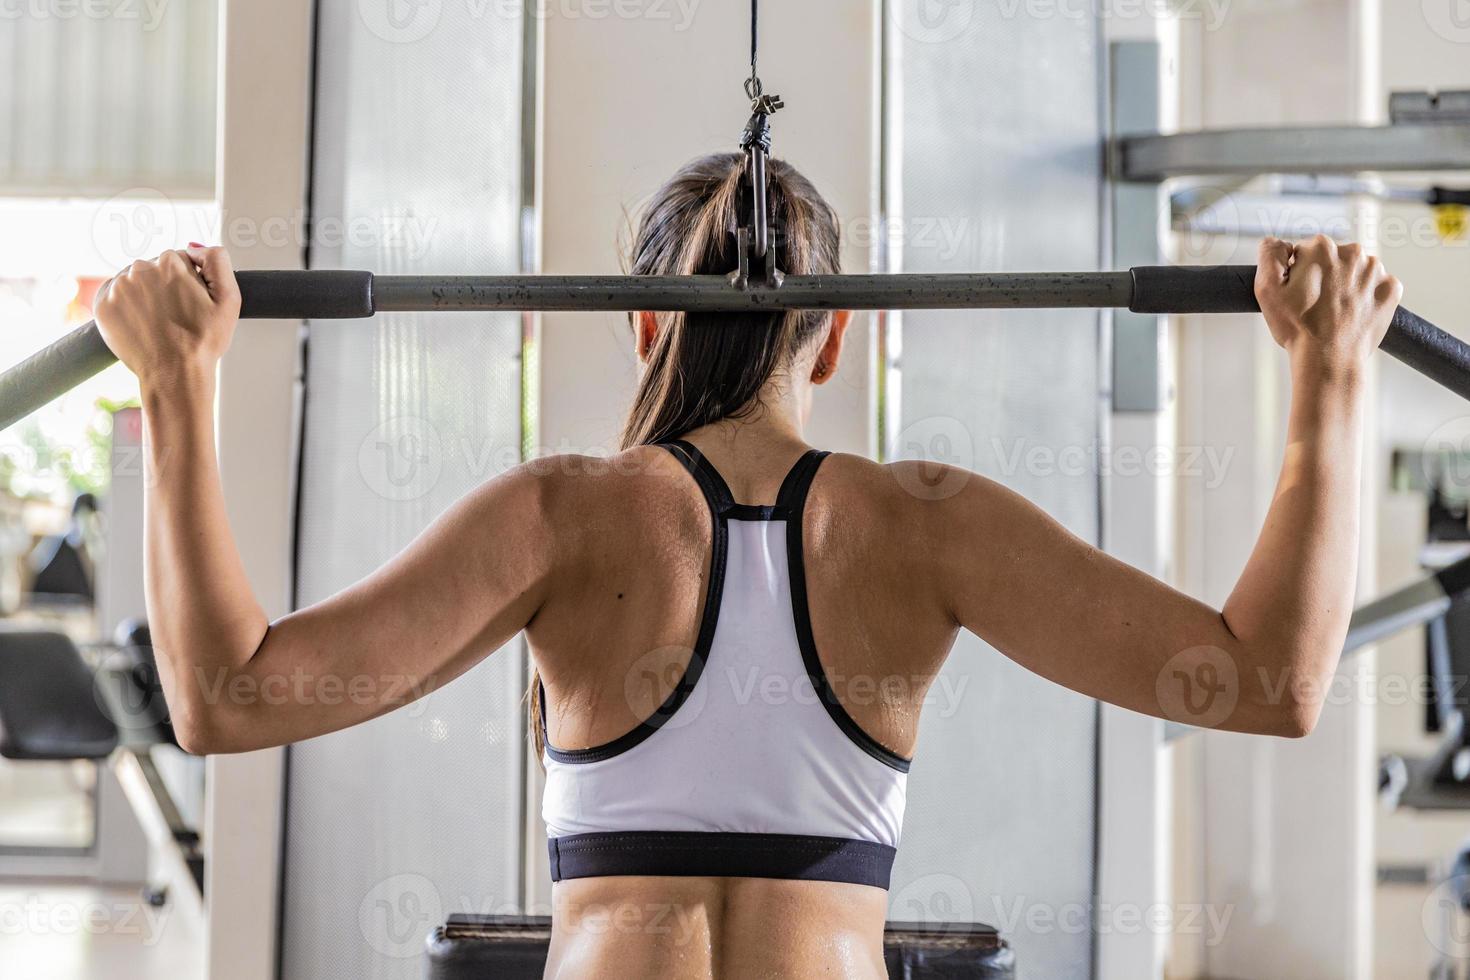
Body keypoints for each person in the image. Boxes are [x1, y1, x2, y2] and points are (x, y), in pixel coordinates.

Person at [93, 152, 1401, 979]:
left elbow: (227, 699)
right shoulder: (927, 521)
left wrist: (178, 388)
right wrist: (1326, 378)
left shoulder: (559, 514)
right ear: (829, 342)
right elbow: (1266, 682)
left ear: (646, 319)